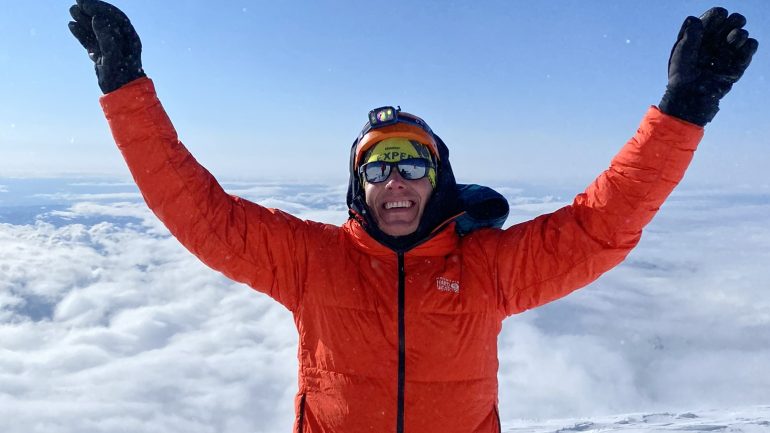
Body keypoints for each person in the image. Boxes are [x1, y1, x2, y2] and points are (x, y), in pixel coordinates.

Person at [68, 1, 757, 432]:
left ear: (439, 178)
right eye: (376, 167)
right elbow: (201, 214)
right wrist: (126, 89)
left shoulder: (487, 269)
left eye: (411, 164)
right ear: (358, 188)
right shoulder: (312, 262)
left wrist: (684, 109)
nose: (394, 181)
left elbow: (599, 226)